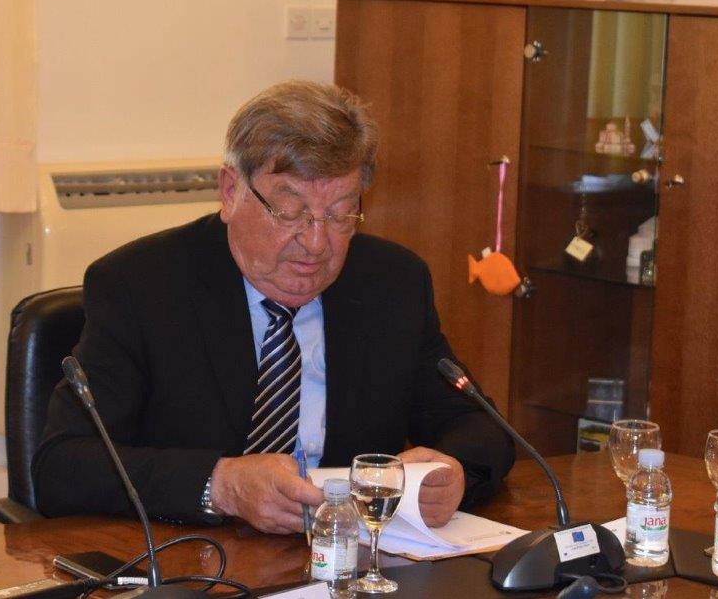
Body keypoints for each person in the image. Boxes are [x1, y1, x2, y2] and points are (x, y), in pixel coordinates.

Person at [33, 80, 515, 534]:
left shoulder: (392, 284)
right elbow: (63, 465)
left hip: (346, 560)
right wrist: (220, 485)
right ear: (230, 191)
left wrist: (453, 473)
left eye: (340, 213)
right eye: (290, 211)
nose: (317, 242)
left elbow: (480, 427)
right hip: (193, 560)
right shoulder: (140, 286)